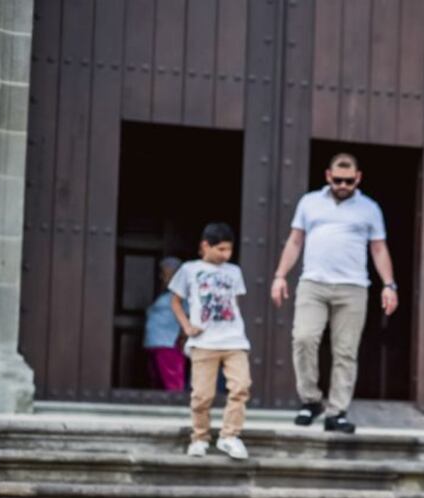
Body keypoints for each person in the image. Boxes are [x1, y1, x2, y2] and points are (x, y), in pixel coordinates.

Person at [270, 152, 400, 434]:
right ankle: (311, 400)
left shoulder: (369, 208)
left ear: (358, 178)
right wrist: (280, 276)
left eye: (349, 181)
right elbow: (295, 241)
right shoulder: (309, 202)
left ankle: (337, 412)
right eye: (338, 180)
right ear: (328, 176)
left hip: (353, 287)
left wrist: (389, 285)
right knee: (303, 338)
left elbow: (379, 249)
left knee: (346, 350)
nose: (343, 185)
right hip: (313, 284)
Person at [169, 222, 252, 460]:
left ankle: (230, 436)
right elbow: (175, 301)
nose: (226, 254)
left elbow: (234, 303)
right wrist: (187, 327)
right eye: (221, 249)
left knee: (241, 387)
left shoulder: (234, 271)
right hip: (203, 342)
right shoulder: (189, 269)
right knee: (202, 395)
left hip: (235, 341)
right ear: (206, 246)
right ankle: (200, 438)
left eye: (229, 249)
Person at [144, 256, 185, 391]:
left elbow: (190, 316)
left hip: (168, 345)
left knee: (172, 385)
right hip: (155, 344)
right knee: (157, 386)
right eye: (162, 273)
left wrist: (183, 337)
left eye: (166, 274)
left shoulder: (182, 295)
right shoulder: (166, 294)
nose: (162, 277)